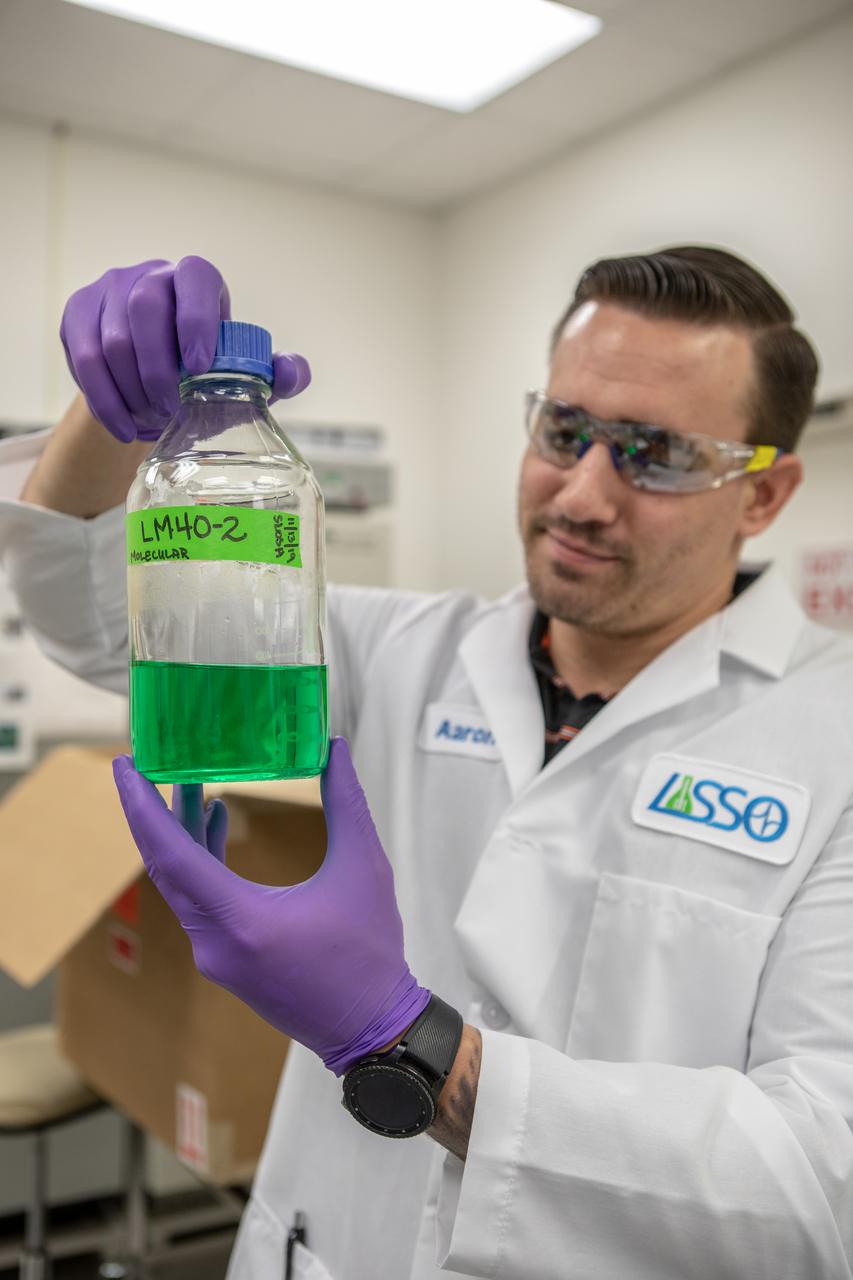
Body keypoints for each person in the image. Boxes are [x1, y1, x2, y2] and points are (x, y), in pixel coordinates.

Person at [1, 245, 852, 1280]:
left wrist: (407, 1044)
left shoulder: (831, 734)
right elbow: (94, 617)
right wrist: (115, 413)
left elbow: (821, 1182)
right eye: (565, 431)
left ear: (762, 494)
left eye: (657, 453)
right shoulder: (406, 647)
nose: (583, 494)